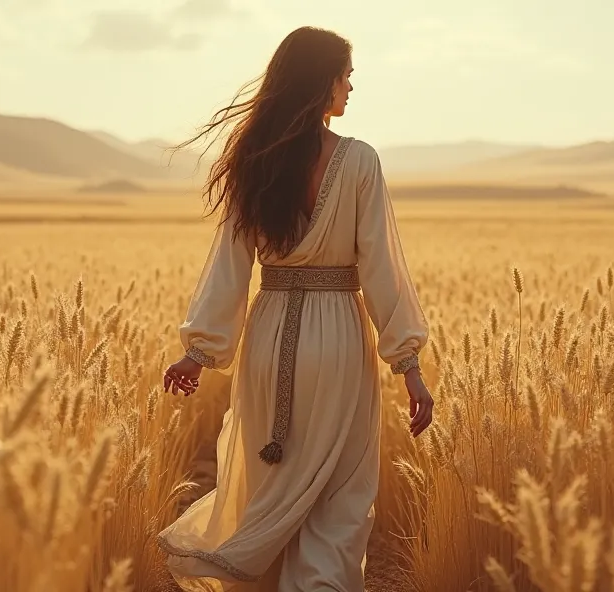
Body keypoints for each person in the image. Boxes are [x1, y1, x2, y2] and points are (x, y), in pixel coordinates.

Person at [158, 25, 433, 592]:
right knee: (337, 496)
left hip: (270, 333)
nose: (352, 87)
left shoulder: (254, 162)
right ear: (322, 83)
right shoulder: (359, 161)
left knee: (270, 485)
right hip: (337, 343)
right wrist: (410, 367)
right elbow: (382, 268)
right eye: (346, 75)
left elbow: (230, 269)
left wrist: (197, 354)